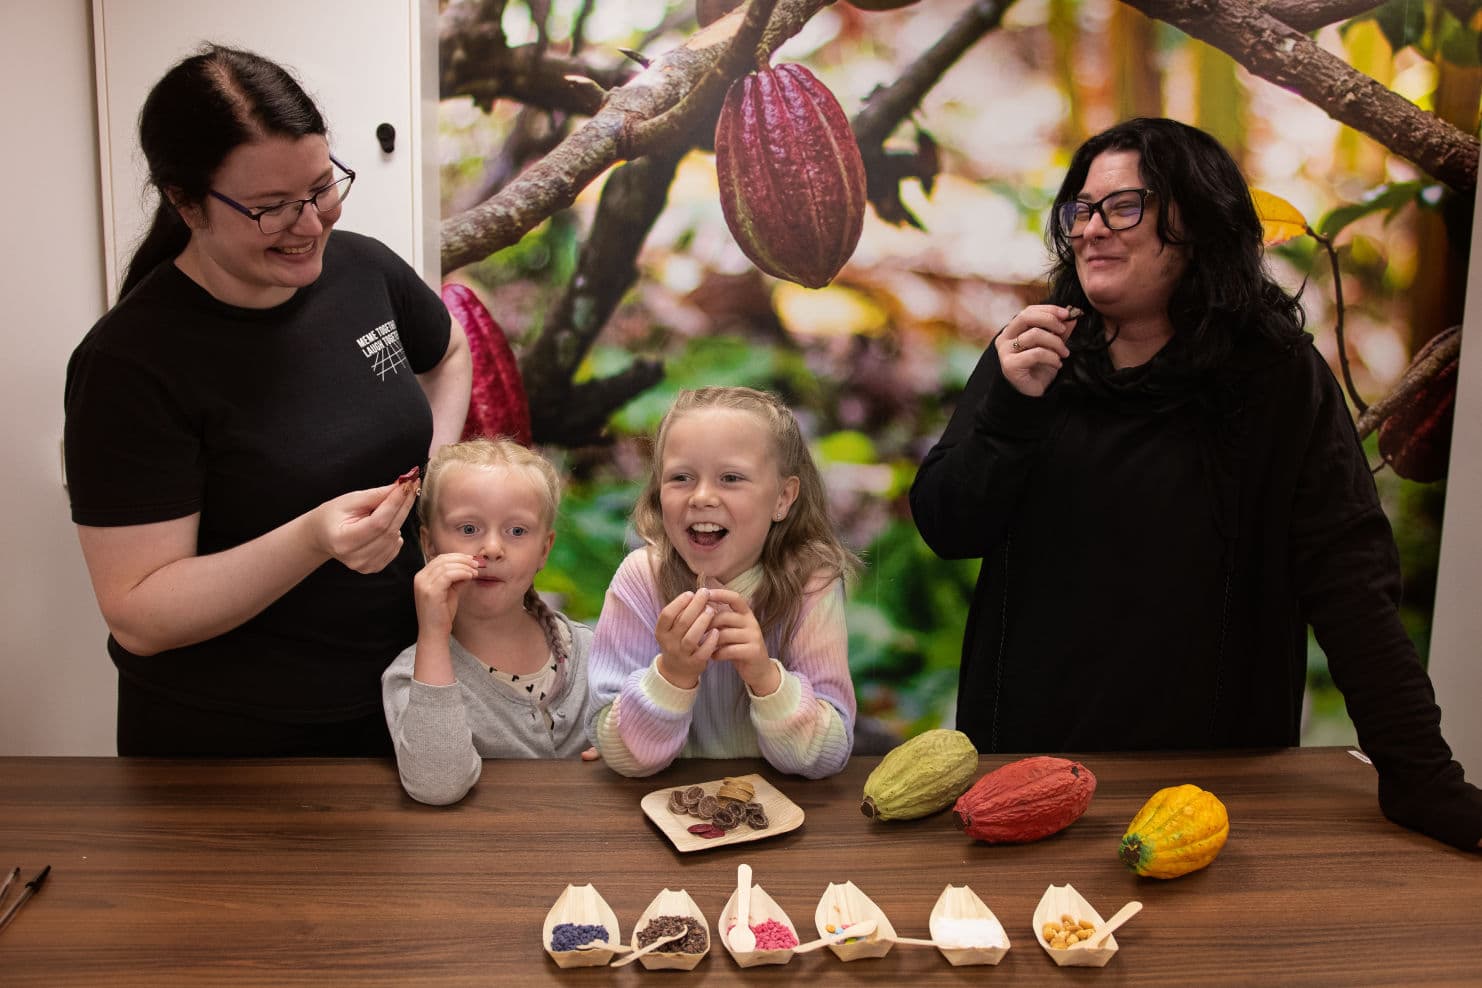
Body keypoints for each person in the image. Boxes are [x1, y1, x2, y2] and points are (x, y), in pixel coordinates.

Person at [910, 117, 1481, 852]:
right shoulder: (1036, 351)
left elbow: (1349, 583)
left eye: (1123, 207)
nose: (1090, 230)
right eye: (1080, 210)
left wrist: (1420, 778)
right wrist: (1012, 411)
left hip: (1211, 777)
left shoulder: (1275, 376)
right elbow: (949, 527)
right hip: (1030, 766)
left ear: (1198, 222)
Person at [63, 45, 471, 756]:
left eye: (322, 187)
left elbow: (449, 355)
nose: (310, 223)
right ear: (185, 203)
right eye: (271, 208)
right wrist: (312, 540)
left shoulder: (362, 270)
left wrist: (431, 472)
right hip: (229, 742)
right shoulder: (129, 364)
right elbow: (139, 612)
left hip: (398, 698)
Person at [587, 387, 859, 778]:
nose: (702, 497)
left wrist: (764, 677)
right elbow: (622, 756)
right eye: (681, 477)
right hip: (667, 815)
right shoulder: (642, 579)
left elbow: (827, 756)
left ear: (783, 497)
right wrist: (673, 674)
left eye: (730, 478)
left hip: (781, 814)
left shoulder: (810, 584)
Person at [382, 439, 596, 805]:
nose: (493, 548)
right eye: (468, 529)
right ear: (429, 545)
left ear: (544, 549)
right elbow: (438, 786)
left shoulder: (595, 652)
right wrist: (433, 634)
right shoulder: (411, 677)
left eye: (517, 531)